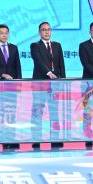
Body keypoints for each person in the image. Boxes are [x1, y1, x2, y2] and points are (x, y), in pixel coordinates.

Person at [30, 21, 65, 149]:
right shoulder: (35, 46)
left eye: (48, 29)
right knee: (37, 112)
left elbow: (61, 64)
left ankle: (55, 139)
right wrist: (49, 73)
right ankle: (36, 139)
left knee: (54, 112)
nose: (46, 32)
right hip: (40, 84)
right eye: (43, 30)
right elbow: (39, 62)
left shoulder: (57, 45)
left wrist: (63, 80)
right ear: (39, 32)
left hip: (55, 85)